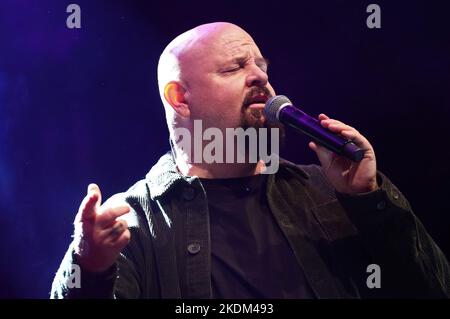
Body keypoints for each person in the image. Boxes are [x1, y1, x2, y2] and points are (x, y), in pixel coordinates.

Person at [51, 22, 450, 299]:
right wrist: (90, 270)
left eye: (261, 66)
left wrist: (369, 202)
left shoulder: (329, 191)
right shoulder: (131, 225)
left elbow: (433, 288)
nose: (259, 77)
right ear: (181, 99)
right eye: (235, 67)